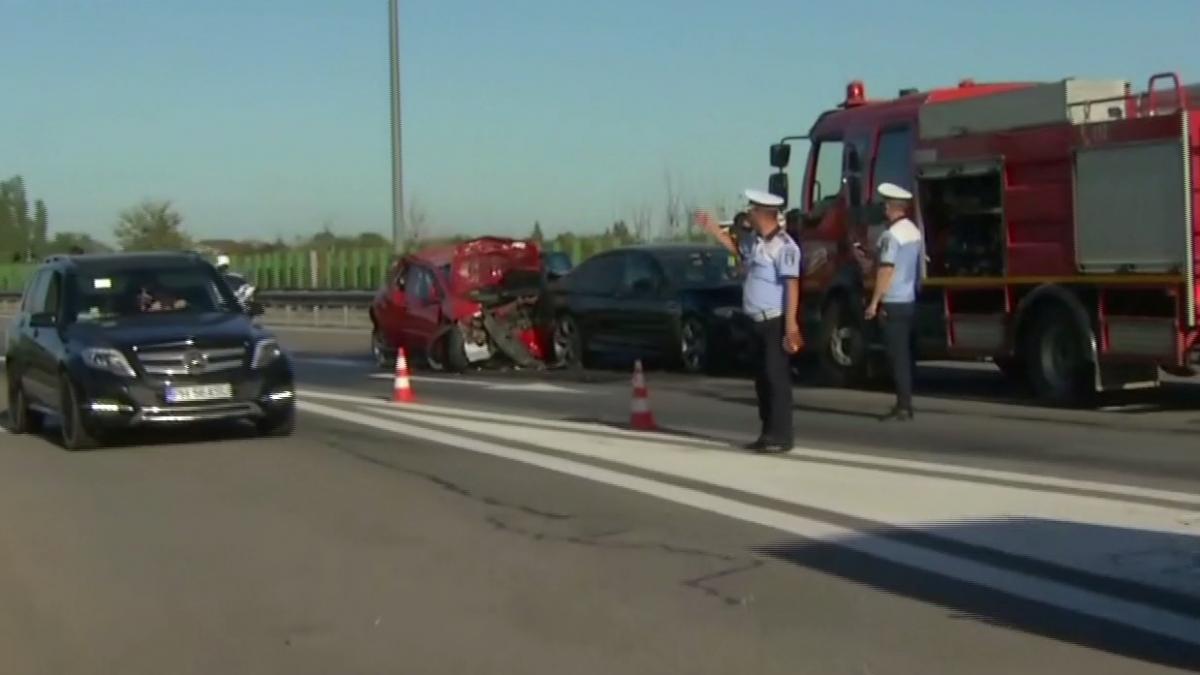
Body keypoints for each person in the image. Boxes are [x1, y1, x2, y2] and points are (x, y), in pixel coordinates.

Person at [697, 190, 803, 453]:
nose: (748, 214)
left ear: (762, 214)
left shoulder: (784, 246)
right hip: (755, 321)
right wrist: (714, 230)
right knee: (762, 380)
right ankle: (767, 432)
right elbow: (738, 251)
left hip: (774, 321)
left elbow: (792, 285)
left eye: (752, 210)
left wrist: (791, 324)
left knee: (775, 379)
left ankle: (781, 435)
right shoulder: (756, 242)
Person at [865, 183, 924, 422]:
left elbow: (886, 270)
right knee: (905, 354)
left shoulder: (891, 235)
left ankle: (903, 405)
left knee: (896, 356)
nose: (883, 209)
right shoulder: (913, 231)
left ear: (891, 207)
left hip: (893, 301)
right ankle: (905, 402)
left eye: (885, 205)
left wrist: (874, 302)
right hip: (909, 299)